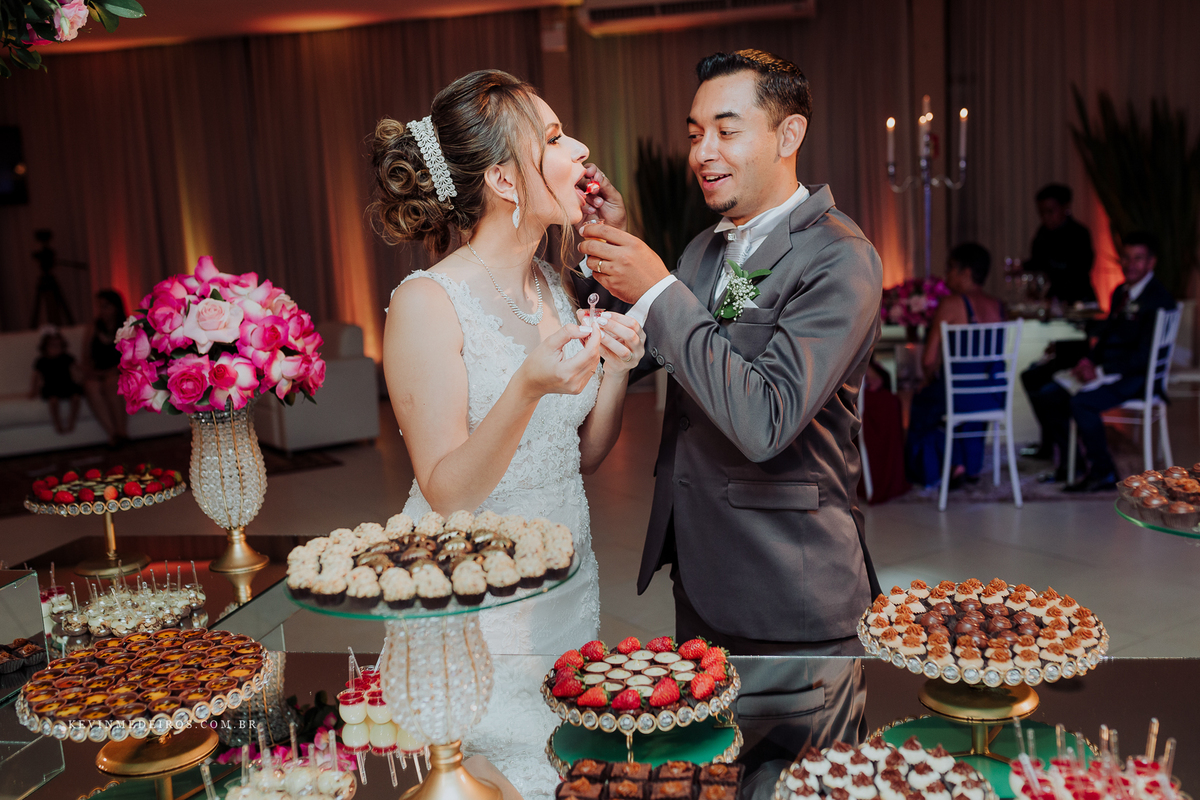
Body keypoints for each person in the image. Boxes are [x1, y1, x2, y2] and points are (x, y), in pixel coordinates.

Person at [370, 69, 643, 797]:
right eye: (553, 138)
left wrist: (617, 370)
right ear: (503, 179)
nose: (579, 148)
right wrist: (525, 386)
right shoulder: (428, 301)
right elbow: (447, 491)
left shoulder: (554, 285)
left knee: (567, 770)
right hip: (475, 606)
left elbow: (580, 455)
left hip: (565, 590)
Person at [578, 49, 882, 654]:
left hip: (791, 588)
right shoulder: (704, 249)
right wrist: (611, 243)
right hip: (702, 573)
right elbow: (642, 347)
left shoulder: (840, 257)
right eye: (695, 135)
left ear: (788, 135)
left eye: (726, 131)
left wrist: (658, 286)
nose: (702, 153)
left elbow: (766, 419)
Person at [1029, 232, 1176, 492]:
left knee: (1082, 403)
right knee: (1049, 394)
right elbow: (1107, 334)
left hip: (1136, 378)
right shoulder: (1121, 291)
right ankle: (1072, 463)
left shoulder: (1158, 300)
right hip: (1111, 370)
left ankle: (1104, 471)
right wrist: (1088, 361)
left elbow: (1143, 357)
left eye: (1138, 258)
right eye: (1126, 257)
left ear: (1151, 262)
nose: (1130, 264)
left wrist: (1100, 370)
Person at [905, 243, 1006, 489]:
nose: (946, 275)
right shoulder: (999, 306)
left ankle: (946, 465)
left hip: (959, 395)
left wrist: (928, 377)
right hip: (992, 394)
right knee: (952, 397)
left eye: (950, 268)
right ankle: (968, 464)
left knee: (922, 401)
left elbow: (928, 360)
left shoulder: (951, 304)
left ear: (966, 272)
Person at [1028, 183, 1096, 305]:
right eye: (1042, 212)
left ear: (1065, 207)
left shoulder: (1079, 233)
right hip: (1052, 302)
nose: (1046, 217)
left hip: (1079, 301)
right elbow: (1037, 263)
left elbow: (1079, 270)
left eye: (1050, 211)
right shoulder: (1042, 234)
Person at [82, 289, 129, 447]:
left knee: (111, 383)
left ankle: (122, 431)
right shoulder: (93, 327)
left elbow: (131, 356)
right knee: (91, 386)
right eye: (100, 306)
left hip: (119, 370)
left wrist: (114, 370)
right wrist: (91, 372)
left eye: (106, 306)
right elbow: (86, 356)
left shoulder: (126, 326)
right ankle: (113, 434)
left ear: (116, 307)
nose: (102, 310)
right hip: (98, 371)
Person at [30, 328, 83, 433]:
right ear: (45, 347)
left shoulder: (66, 357)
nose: (56, 349)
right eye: (53, 346)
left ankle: (72, 421)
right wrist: (33, 391)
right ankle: (57, 423)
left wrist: (82, 377)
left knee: (76, 398)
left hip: (67, 385)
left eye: (59, 346)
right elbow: (36, 377)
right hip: (51, 387)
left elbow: (78, 369)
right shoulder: (41, 361)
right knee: (53, 401)